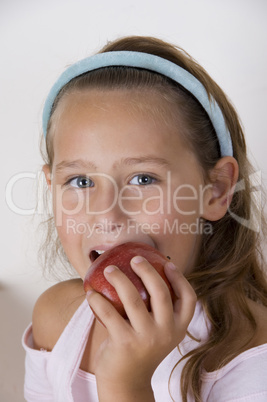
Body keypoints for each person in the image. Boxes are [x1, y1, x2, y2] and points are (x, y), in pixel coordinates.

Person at [22, 36, 267, 402]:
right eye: (81, 181)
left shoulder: (250, 356)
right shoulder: (56, 318)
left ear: (215, 191)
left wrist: (126, 385)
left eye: (143, 179)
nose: (107, 214)